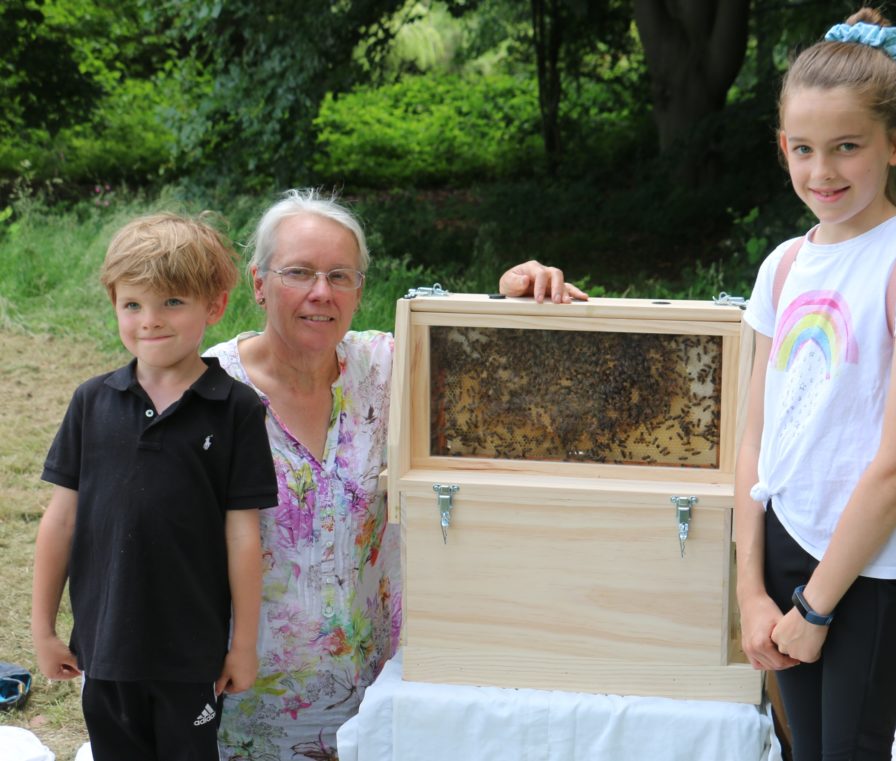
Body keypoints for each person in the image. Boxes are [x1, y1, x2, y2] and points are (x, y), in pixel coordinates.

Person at [206, 187, 586, 760]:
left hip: (382, 700)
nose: (320, 293)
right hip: (249, 707)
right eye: (299, 273)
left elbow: (502, 368)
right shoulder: (208, 390)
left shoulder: (386, 366)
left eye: (340, 276)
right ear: (259, 283)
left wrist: (510, 299)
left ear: (360, 288)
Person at [735, 8, 896, 760]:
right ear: (782, 149)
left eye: (846, 148)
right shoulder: (782, 266)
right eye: (803, 150)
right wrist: (751, 590)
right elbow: (754, 437)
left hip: (868, 566)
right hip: (784, 545)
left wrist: (815, 606)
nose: (822, 172)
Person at [31, 213, 278, 760]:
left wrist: (242, 646)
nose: (150, 321)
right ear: (115, 305)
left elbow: (243, 538)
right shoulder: (91, 402)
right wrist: (44, 629)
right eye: (133, 304)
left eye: (172, 302)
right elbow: (60, 521)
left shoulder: (236, 410)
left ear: (213, 306)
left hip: (192, 656)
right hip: (104, 646)